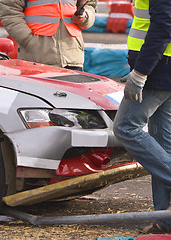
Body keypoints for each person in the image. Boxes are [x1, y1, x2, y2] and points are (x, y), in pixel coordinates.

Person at [113, 0, 171, 234]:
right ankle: (165, 222)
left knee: (126, 127)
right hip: (164, 66)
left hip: (158, 68)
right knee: (161, 146)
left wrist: (140, 72)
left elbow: (164, 23)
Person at [0, 0, 96, 70]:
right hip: (37, 58)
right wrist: (28, 41)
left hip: (72, 58)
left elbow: (90, 4)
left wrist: (85, 17)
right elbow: (10, 12)